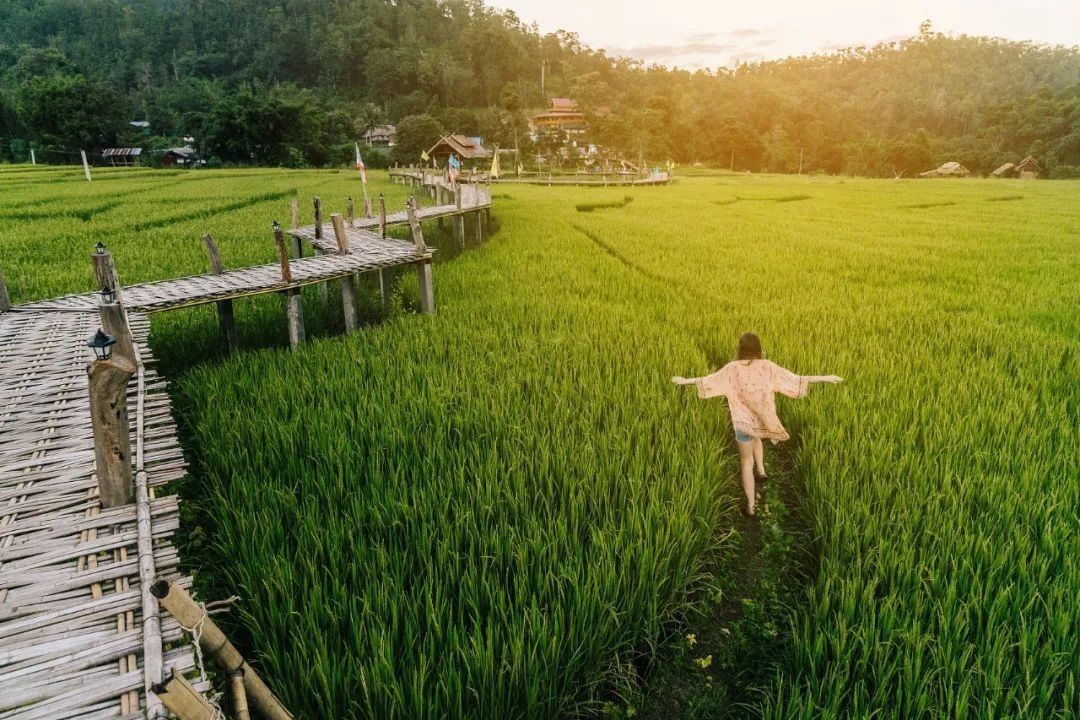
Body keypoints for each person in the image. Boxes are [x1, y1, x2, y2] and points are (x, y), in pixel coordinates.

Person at [672, 333, 842, 517]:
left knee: (746, 463)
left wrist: (684, 381)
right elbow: (795, 378)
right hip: (761, 420)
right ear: (758, 349)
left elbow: (708, 380)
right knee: (758, 437)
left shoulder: (731, 369)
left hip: (743, 424)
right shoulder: (767, 367)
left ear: (740, 349)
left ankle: (751, 507)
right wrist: (825, 377)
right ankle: (761, 470)